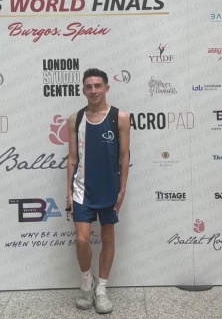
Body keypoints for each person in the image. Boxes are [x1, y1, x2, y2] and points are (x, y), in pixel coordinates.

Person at [66, 68, 131, 314]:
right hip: (82, 189)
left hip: (109, 188)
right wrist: (69, 192)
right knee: (82, 239)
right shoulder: (75, 119)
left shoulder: (120, 117)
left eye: (98, 86)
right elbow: (72, 158)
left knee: (108, 238)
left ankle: (101, 289)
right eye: (88, 87)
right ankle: (87, 283)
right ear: (83, 90)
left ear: (106, 88)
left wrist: (123, 188)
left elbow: (124, 156)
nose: (93, 91)